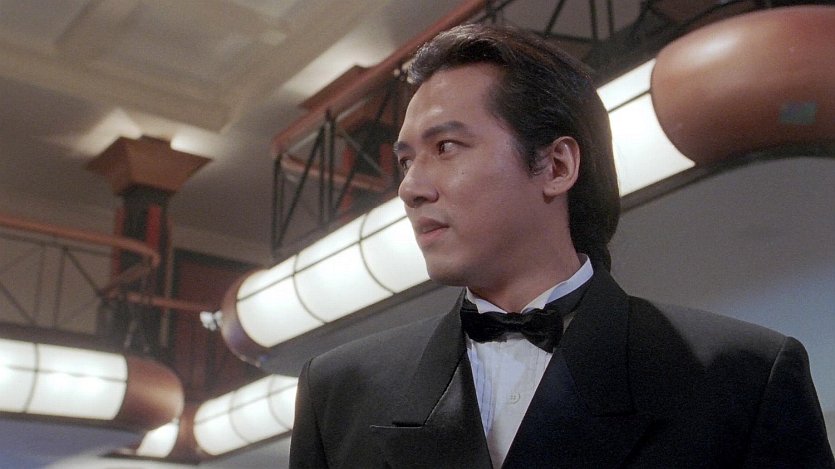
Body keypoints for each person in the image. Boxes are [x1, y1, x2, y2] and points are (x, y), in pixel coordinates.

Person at [289, 23, 833, 468]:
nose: (410, 188)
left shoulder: (742, 377)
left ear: (556, 166)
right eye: (406, 160)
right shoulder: (337, 390)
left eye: (446, 146)